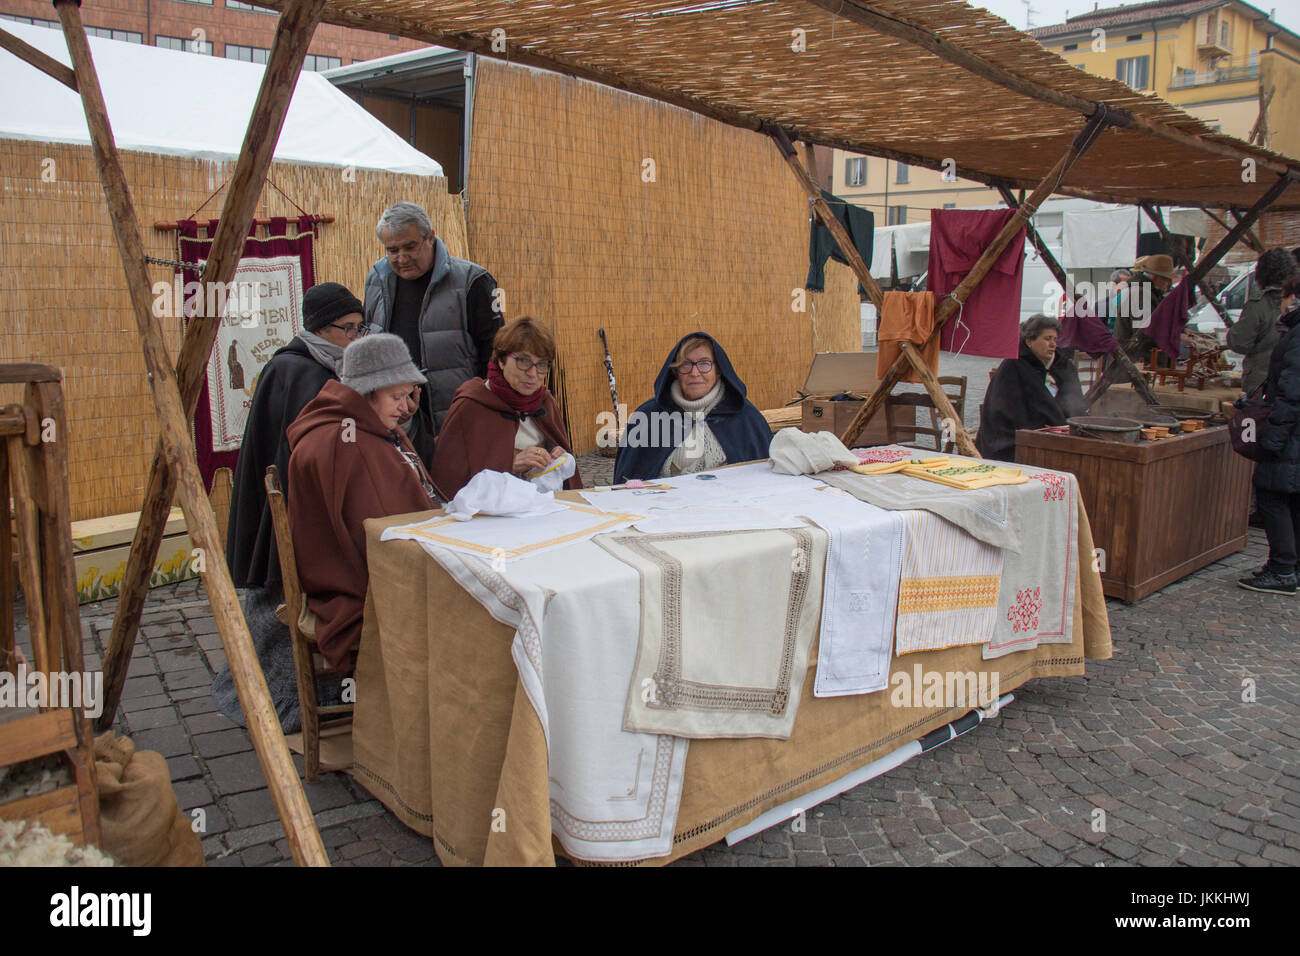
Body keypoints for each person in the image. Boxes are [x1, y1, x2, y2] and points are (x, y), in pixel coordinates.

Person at [215, 281, 366, 732]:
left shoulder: (309, 367)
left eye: (361, 328)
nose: (356, 339)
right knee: (282, 597)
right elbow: (306, 456)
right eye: (349, 329)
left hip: (291, 506)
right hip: (289, 513)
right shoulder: (300, 373)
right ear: (322, 329)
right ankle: (289, 696)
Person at [287, 334, 439, 675]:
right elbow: (384, 542)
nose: (406, 407)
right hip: (356, 593)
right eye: (397, 396)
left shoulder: (359, 426)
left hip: (358, 575)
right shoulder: (348, 444)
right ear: (367, 391)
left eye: (408, 395)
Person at [363, 200, 503, 438]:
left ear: (430, 237)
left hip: (457, 418)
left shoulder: (473, 282)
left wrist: (482, 409)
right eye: (393, 250)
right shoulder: (376, 280)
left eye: (410, 247)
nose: (402, 258)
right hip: (397, 419)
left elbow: (495, 352)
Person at [430, 316, 583, 499]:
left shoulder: (545, 402)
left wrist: (557, 456)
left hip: (539, 509)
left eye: (541, 364)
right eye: (523, 361)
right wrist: (509, 464)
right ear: (501, 361)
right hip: (487, 517)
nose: (533, 374)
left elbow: (562, 468)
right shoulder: (470, 405)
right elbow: (449, 478)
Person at [614, 332, 772, 482]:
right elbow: (627, 484)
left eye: (704, 364)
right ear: (676, 371)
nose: (695, 373)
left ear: (718, 370)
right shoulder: (648, 418)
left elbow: (763, 483)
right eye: (686, 364)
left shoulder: (745, 418)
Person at [1238, 273, 1300, 595]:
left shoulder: (1297, 336)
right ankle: (1292, 567)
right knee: (1291, 497)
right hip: (1293, 432)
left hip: (1290, 433)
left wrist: (1272, 439)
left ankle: (1282, 570)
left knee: (1272, 494)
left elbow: (1292, 393)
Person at [976, 314, 1087, 463]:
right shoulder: (1013, 366)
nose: (1053, 344)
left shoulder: (1064, 366)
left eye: (1055, 339)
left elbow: (1075, 403)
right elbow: (1004, 412)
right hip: (1013, 441)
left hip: (1059, 437)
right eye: (1047, 339)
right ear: (1029, 341)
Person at [1228, 248, 1299, 397]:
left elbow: (1239, 342)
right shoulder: (1294, 301)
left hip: (1261, 384)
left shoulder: (1259, 304)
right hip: (1291, 382)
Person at [1115, 253, 1177, 349]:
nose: (1168, 284)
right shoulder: (1141, 294)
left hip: (1140, 356)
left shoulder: (1146, 292)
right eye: (1166, 279)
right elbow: (1144, 333)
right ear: (1156, 277)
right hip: (1138, 358)